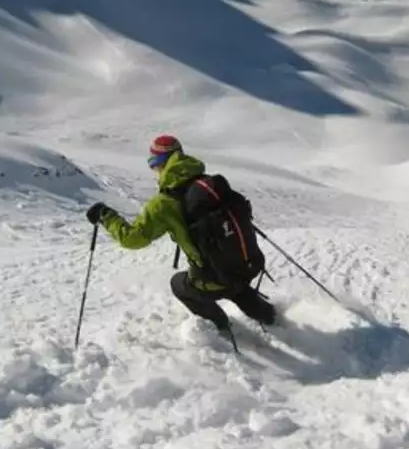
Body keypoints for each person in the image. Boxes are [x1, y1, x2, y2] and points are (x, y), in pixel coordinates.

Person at [85, 135, 276, 333]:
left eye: (153, 163)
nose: (153, 170)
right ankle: (271, 318)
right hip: (248, 264)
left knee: (179, 284)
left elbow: (132, 239)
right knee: (234, 284)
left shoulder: (164, 203)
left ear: (160, 163)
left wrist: (106, 216)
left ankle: (221, 328)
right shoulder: (209, 183)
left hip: (213, 279)